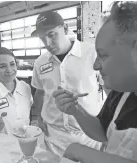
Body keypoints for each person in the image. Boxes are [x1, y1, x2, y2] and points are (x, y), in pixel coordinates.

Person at [53, 1, 137, 163]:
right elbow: (101, 132)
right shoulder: (122, 92)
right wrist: (75, 109)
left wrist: (79, 151)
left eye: (103, 55)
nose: (95, 65)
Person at [30, 10, 103, 156]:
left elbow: (109, 88)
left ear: (65, 29)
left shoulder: (91, 53)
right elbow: (39, 92)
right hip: (54, 137)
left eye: (51, 34)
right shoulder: (40, 62)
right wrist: (35, 116)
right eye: (42, 38)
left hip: (88, 136)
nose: (47, 43)